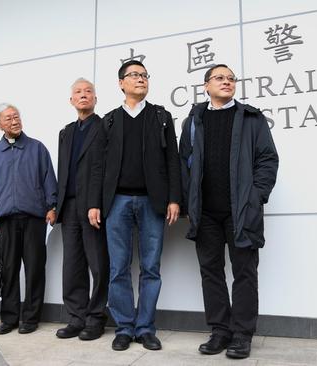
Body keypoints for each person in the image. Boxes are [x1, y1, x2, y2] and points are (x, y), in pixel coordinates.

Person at [179, 64, 279, 359]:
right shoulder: (194, 121)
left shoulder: (250, 118)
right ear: (206, 86)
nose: (227, 82)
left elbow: (267, 159)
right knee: (211, 272)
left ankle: (242, 334)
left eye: (231, 78)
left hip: (240, 212)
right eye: (220, 78)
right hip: (206, 213)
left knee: (244, 273)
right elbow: (184, 162)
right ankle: (220, 331)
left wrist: (256, 196)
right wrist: (188, 203)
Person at [88, 60, 181, 351]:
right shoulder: (110, 120)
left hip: (152, 202)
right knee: (118, 268)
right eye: (134, 75)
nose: (140, 79)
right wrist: (94, 203)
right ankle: (125, 328)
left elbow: (173, 161)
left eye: (144, 75)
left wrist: (175, 198)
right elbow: (98, 166)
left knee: (151, 267)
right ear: (121, 84)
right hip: (116, 203)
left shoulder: (161, 117)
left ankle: (146, 328)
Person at [0, 103, 57, 335]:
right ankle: (10, 318)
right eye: (8, 118)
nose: (15, 121)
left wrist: (52, 206)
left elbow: (49, 179)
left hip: (34, 217)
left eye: (16, 117)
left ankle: (31, 318)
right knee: (8, 271)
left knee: (34, 269)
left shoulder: (37, 148)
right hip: (5, 220)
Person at [54, 78, 110, 341]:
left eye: (89, 91)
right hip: (69, 206)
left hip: (93, 206)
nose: (83, 95)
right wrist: (56, 205)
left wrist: (96, 203)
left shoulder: (105, 127)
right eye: (78, 92)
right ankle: (76, 318)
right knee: (72, 264)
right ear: (71, 100)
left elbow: (106, 170)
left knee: (97, 263)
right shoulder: (65, 132)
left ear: (96, 99)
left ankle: (96, 318)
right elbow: (62, 171)